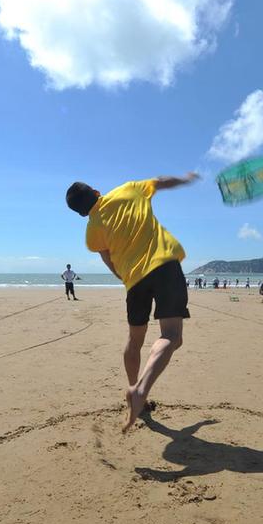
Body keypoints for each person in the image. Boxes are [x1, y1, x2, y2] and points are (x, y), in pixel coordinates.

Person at [65, 172, 199, 433]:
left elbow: (108, 260)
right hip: (164, 266)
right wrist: (185, 179)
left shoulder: (92, 228)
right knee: (172, 336)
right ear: (95, 190)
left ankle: (135, 389)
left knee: (134, 339)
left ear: (81, 212)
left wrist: (126, 278)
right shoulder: (129, 190)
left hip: (134, 281)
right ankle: (140, 389)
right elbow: (162, 182)